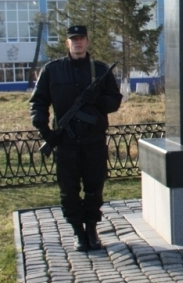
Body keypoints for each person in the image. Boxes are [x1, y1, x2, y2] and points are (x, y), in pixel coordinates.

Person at [29, 25, 122, 252]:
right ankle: (77, 232)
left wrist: (95, 98)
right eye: (73, 39)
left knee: (94, 187)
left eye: (81, 39)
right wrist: (45, 131)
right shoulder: (52, 70)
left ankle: (91, 229)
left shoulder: (100, 71)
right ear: (67, 43)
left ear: (87, 42)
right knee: (69, 190)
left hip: (93, 141)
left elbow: (114, 102)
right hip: (65, 143)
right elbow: (38, 102)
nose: (78, 43)